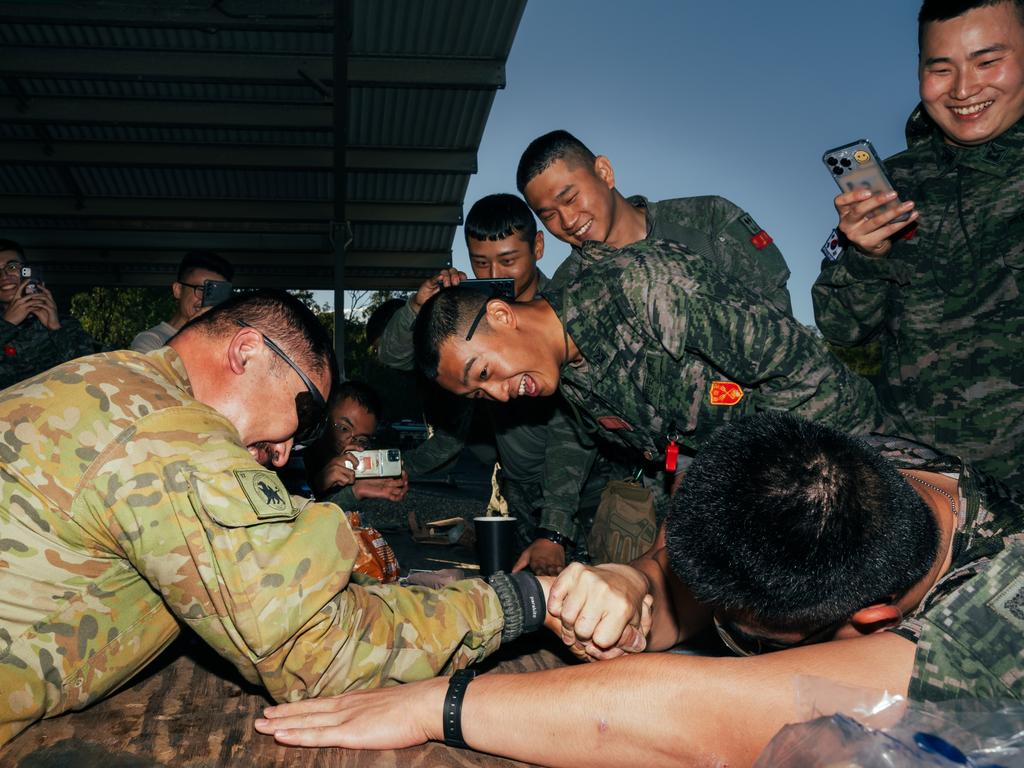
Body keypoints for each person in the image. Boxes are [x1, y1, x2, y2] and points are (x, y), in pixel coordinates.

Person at [0, 288, 626, 747]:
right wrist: (519, 600)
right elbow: (321, 654)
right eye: (304, 412)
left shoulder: (102, 381)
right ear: (247, 352)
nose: (286, 450)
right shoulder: (169, 434)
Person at [254, 412, 1024, 766]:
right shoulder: (839, 463)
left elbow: (709, 717)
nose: (710, 616)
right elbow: (689, 565)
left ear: (873, 617)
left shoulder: (989, 631)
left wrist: (439, 704)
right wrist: (639, 579)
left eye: (740, 621)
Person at [412, 238, 884, 483]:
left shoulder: (646, 290)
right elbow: (684, 443)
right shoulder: (569, 376)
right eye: (479, 393)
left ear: (500, 313)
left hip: (852, 458)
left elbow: (802, 372)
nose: (497, 394)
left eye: (485, 374)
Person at [813, 0, 1024, 490]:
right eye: (941, 68)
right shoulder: (894, 182)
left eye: (987, 61)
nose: (964, 89)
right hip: (926, 489)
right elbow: (841, 330)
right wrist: (867, 256)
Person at [377, 193, 607, 575]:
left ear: (536, 247)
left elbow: (572, 437)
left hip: (579, 497)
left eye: (507, 260)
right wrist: (421, 308)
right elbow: (396, 357)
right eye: (479, 263)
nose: (492, 275)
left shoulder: (563, 315)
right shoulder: (471, 319)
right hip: (520, 496)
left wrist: (554, 529)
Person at [516, 129, 793, 315]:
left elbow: (776, 310)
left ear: (604, 173)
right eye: (548, 215)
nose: (567, 220)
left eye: (571, 197)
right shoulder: (566, 292)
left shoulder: (707, 220)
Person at [0, 238, 97, 389]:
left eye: (12, 266)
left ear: (27, 272)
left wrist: (55, 328)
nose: (4, 275)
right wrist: (6, 325)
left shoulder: (65, 325)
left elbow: (90, 375)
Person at [302, 379, 410, 506]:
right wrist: (320, 483)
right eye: (344, 428)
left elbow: (324, 519)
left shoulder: (352, 474)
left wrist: (356, 491)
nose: (350, 442)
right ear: (324, 417)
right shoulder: (292, 452)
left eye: (361, 440)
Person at [130, 250, 234, 353]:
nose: (206, 300)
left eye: (215, 293)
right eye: (201, 289)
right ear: (178, 290)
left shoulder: (224, 343)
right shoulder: (151, 340)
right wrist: (192, 331)